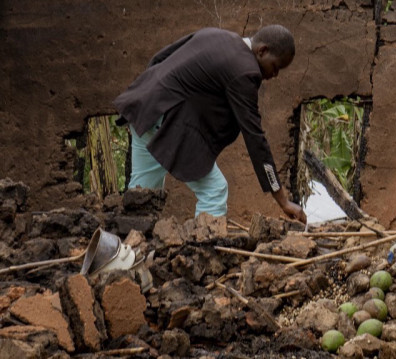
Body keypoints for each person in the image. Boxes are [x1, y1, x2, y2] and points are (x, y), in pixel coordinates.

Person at [113, 25, 307, 224]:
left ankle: (128, 250)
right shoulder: (245, 71)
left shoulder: (215, 35)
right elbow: (254, 137)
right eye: (275, 67)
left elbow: (160, 57)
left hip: (145, 109)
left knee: (141, 198)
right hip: (166, 123)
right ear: (263, 51)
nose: (275, 75)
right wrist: (282, 200)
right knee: (214, 190)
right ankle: (202, 251)